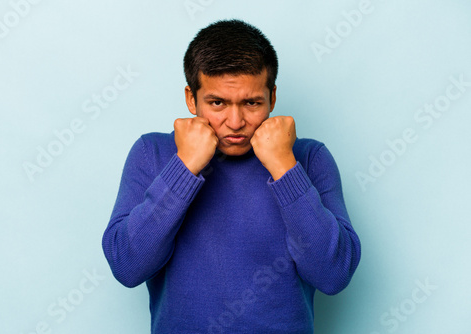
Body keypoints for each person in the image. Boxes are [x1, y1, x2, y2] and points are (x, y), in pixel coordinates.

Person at [102, 19, 361, 334]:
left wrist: (284, 166)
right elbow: (128, 266)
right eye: (217, 103)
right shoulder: (153, 153)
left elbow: (333, 274)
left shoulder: (308, 158)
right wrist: (184, 167)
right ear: (191, 98)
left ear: (272, 98)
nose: (235, 122)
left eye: (251, 103)